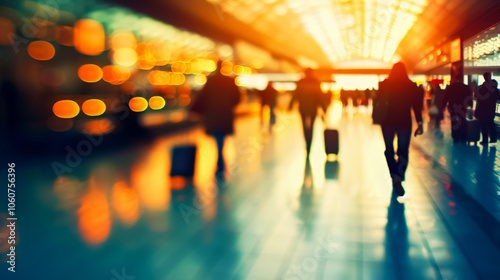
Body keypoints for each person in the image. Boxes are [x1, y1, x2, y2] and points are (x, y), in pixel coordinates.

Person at [377, 62, 423, 196]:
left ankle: (394, 175)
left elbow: (378, 101)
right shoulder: (411, 86)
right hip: (404, 122)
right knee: (403, 150)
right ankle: (399, 176)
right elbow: (417, 107)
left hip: (387, 122)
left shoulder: (384, 84)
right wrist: (419, 123)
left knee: (389, 149)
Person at [190, 61, 241, 178]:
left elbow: (202, 97)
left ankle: (220, 163)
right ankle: (220, 163)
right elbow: (237, 99)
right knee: (221, 139)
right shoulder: (230, 81)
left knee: (218, 139)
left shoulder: (210, 81)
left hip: (213, 115)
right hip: (225, 114)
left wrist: (195, 110)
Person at [289, 68, 325, 157]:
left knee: (304, 127)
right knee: (312, 126)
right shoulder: (316, 81)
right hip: (313, 108)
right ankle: (309, 145)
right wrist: (324, 108)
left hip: (303, 108)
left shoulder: (301, 81)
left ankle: (306, 143)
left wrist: (291, 105)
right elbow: (319, 95)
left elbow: (295, 94)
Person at [443, 76, 473, 143]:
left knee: (454, 122)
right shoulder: (465, 87)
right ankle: (463, 137)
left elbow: (446, 97)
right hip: (462, 107)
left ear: (455, 79)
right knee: (462, 121)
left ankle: (455, 137)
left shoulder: (451, 87)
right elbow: (469, 97)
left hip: (453, 107)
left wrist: (443, 106)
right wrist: (470, 105)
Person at [474, 72, 500, 145]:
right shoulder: (494, 89)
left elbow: (476, 96)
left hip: (482, 110)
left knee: (483, 125)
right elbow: (498, 96)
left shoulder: (480, 88)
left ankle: (485, 140)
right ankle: (493, 139)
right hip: (491, 109)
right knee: (491, 124)